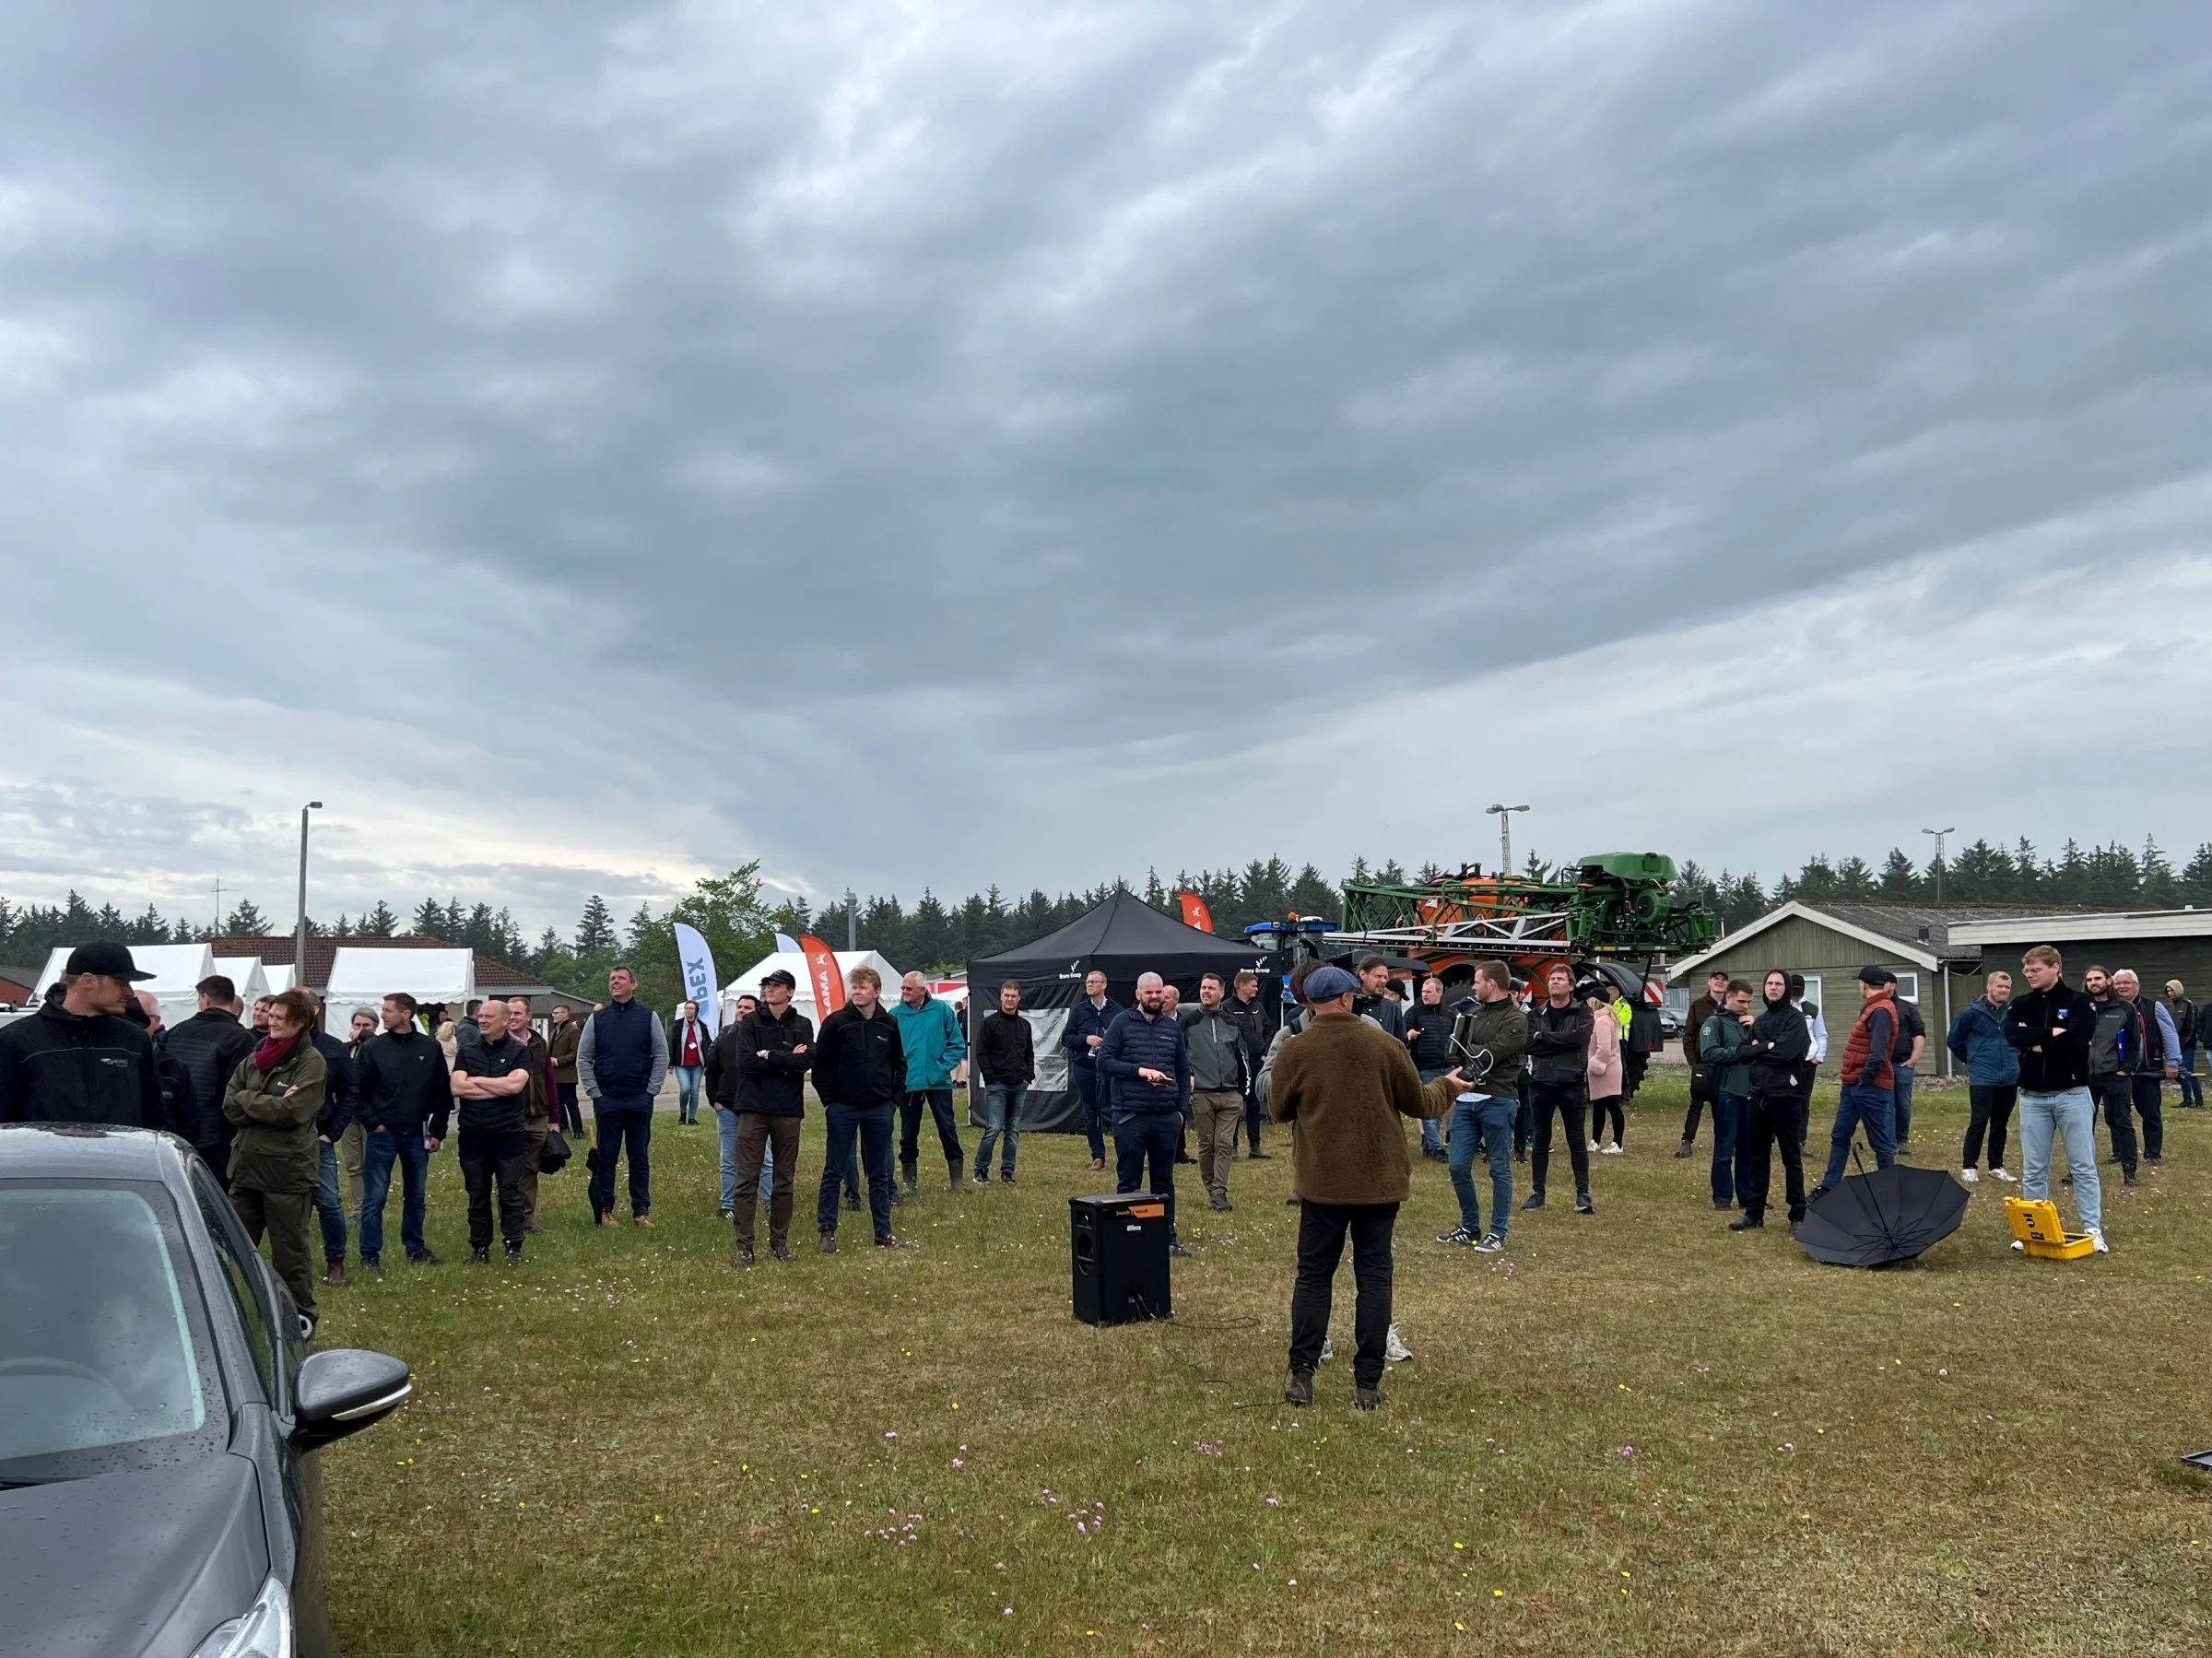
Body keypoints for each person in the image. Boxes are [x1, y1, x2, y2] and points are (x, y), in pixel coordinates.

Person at [1269, 963, 1458, 1411]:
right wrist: (1448, 1086)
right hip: (1379, 1183)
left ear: (1311, 1003)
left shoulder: (1295, 1049)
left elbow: (1277, 1109)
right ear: (1349, 998)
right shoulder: (1384, 1045)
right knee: (1374, 1278)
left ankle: (1302, 1375)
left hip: (1321, 1184)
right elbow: (1420, 1104)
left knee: (1314, 1277)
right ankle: (1367, 1384)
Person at [223, 987, 327, 1329]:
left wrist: (248, 1099)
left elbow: (293, 1111)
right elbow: (228, 1105)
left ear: (299, 1023)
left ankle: (299, 1320)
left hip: (287, 1174)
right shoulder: (255, 1058)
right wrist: (264, 1101)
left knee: (290, 1255)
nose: (271, 1022)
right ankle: (230, 1314)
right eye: (270, 1015)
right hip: (246, 1169)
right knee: (231, 1249)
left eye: (279, 1018)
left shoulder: (311, 1062)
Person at [2003, 945, 2105, 1252]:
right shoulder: (2020, 1004)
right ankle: (2034, 1230)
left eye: (2035, 970)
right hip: (2032, 1096)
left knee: (2082, 1164)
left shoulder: (2080, 1002)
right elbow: (2012, 1036)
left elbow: (2076, 1039)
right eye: (2027, 971)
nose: (2029, 975)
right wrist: (2052, 1034)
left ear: (2054, 967)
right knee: (2034, 1167)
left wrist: (2036, 1039)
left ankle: (2092, 1228)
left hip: (2071, 1094)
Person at [0, 941, 165, 1129]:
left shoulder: (134, 1040)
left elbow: (154, 1118)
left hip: (122, 1157)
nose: (129, 992)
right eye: (121, 982)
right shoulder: (16, 1040)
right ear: (88, 980)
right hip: (45, 1158)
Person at [813, 966, 908, 1251]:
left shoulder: (888, 1025)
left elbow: (898, 1064)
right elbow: (821, 1067)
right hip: (843, 1107)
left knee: (879, 1173)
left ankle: (883, 1232)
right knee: (835, 1169)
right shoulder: (836, 1023)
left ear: (877, 992)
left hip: (879, 1108)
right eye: (854, 987)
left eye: (863, 987)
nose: (857, 991)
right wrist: (830, 1102)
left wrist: (894, 1100)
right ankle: (827, 1230)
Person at [1435, 959, 1527, 1252]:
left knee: (1499, 1166)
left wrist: (1466, 1052)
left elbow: (1490, 1055)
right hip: (1466, 1099)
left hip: (1498, 1098)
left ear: (1492, 983)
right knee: (1458, 1164)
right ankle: (1470, 1226)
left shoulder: (1516, 1020)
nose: (1473, 986)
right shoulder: (1472, 1015)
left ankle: (1497, 1232)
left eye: (1477, 981)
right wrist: (1466, 1054)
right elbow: (1453, 1053)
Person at [1099, 971, 1193, 1256]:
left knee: (1164, 1182)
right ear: (1138, 994)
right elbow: (1104, 1061)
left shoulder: (1172, 1027)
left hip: (1166, 1117)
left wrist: (1180, 1110)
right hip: (1131, 1115)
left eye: (1159, 992)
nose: (1154, 997)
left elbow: (1182, 1068)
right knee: (1130, 1181)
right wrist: (1139, 1072)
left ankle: (1167, 1238)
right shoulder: (1121, 1023)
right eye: (1149, 992)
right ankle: (1128, 1238)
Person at [356, 991, 451, 1269]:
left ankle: (415, 1247)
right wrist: (373, 1123)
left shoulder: (429, 1048)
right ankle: (369, 1255)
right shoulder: (373, 1048)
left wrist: (438, 1130)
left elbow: (441, 1091)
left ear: (406, 1014)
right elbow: (356, 1091)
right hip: (382, 1134)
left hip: (417, 1132)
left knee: (416, 1195)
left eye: (387, 1010)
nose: (382, 1014)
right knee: (374, 1197)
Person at [730, 971, 813, 1265]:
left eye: (775, 986)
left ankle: (779, 1244)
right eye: (766, 986)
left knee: (784, 1180)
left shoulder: (802, 1024)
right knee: (746, 1178)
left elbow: (805, 1062)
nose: (769, 990)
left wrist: (770, 1055)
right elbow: (747, 1063)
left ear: (790, 992)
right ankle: (744, 1247)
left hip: (787, 1110)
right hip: (753, 1108)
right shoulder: (751, 1021)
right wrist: (786, 1056)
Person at [577, 966, 668, 1228]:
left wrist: (652, 1089)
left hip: (640, 1098)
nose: (615, 982)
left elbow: (661, 1055)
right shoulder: (598, 1019)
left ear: (633, 984)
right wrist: (595, 1092)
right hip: (608, 1099)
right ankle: (606, 1209)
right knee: (607, 1157)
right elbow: (584, 1057)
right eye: (612, 979)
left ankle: (641, 1211)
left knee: (638, 1156)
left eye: (620, 978)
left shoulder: (648, 1017)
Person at [450, 996, 533, 1264]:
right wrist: (497, 1085)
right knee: (477, 1193)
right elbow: (457, 1088)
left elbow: (514, 1087)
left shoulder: (520, 1051)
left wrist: (477, 1082)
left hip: (508, 1135)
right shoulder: (468, 1050)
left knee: (509, 1192)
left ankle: (513, 1246)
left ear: (506, 1021)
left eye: (489, 1017)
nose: (482, 1020)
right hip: (473, 1135)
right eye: (481, 1016)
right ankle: (480, 1247)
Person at [1730, 971, 1813, 1229]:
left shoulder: (1795, 1020)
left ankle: (1797, 1214)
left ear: (1786, 988)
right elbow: (1742, 1053)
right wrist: (1766, 1046)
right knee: (1757, 1156)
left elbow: (1786, 1054)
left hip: (1786, 1098)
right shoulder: (1761, 1020)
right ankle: (1754, 1213)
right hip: (1759, 1097)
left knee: (1791, 1157)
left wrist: (1761, 1049)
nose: (1773, 988)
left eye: (1778, 984)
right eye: (1769, 983)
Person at [1811, 968, 1901, 1198]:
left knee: (1880, 1142)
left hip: (1868, 1086)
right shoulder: (1875, 1007)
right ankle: (1829, 1186)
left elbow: (1879, 1053)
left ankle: (1889, 1191)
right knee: (1840, 1136)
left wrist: (1865, 1079)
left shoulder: (1881, 1010)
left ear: (1864, 984)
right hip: (1853, 1084)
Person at [166, 972, 257, 1183]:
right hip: (219, 1134)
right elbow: (239, 1090)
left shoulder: (176, 1032)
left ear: (205, 998)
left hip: (177, 1128)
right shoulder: (240, 1038)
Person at [1523, 965, 1595, 1214]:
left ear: (1571, 985)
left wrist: (1545, 1038)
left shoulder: (1582, 1012)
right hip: (1540, 1083)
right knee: (1541, 1140)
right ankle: (1537, 1192)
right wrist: (1557, 1041)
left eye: (1560, 979)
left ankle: (1583, 1194)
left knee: (1576, 1139)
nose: (1555, 982)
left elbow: (1579, 1039)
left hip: (1571, 1083)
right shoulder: (1535, 1014)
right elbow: (1528, 1045)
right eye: (1552, 978)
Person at [890, 972, 969, 1194]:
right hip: (909, 1083)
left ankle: (957, 1180)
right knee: (908, 1131)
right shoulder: (895, 1015)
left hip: (939, 1082)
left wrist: (942, 1067)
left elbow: (957, 1043)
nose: (904, 992)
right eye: (903, 988)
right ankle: (909, 1182)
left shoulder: (942, 1011)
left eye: (909, 988)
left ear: (922, 990)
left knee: (947, 1128)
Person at [1182, 973, 1250, 1211]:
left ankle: (1219, 1191)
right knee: (1206, 1143)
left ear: (1221, 992)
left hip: (1230, 1094)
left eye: (1211, 988)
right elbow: (1179, 1056)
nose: (1206, 992)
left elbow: (1243, 1058)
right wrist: (1186, 1081)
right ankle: (1211, 1188)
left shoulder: (1232, 1023)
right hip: (1202, 1093)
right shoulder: (1189, 1022)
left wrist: (1244, 1090)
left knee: (1223, 1143)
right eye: (1203, 988)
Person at [306, 996, 360, 1288]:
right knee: (286, 1204)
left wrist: (334, 1131)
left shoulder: (332, 1048)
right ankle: (292, 1264)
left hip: (319, 1136)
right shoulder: (272, 1046)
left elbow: (350, 1091)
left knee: (328, 1202)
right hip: (282, 1138)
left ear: (313, 1011)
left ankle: (335, 1261)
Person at [1947, 971, 2019, 1184]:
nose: (2004, 991)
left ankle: (1996, 1166)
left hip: (2009, 1077)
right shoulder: (1972, 1013)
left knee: (2001, 1123)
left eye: (2007, 987)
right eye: (2000, 987)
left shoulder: (2014, 1013)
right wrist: (1972, 1059)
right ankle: (1969, 1166)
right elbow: (1954, 1040)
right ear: (1989, 987)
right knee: (1979, 1121)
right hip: (1983, 1078)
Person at [704, 992, 764, 1218]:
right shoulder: (725, 1038)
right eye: (739, 1007)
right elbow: (711, 1070)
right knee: (728, 1160)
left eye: (747, 1008)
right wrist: (715, 1100)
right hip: (728, 1107)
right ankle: (728, 1205)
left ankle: (769, 1202)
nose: (741, 1010)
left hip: (757, 1108)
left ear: (756, 1012)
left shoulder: (763, 1038)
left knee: (764, 1160)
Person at [1698, 981, 1756, 1214]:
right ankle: (1722, 1196)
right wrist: (1739, 1053)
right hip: (1727, 1093)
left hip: (1748, 1092)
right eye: (1742, 1001)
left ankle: (1746, 1196)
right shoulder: (1715, 1023)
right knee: (1724, 1148)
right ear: (1729, 997)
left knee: (1746, 1150)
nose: (1745, 1006)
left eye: (1749, 1002)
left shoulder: (1746, 1024)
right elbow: (1709, 1053)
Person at [2082, 965, 2142, 1186]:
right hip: (2087, 1077)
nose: (2093, 983)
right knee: (2082, 1126)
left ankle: (2129, 1170)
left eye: (2097, 978)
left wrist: (2125, 1069)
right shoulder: (2082, 1008)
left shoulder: (2125, 1009)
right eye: (2089, 980)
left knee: (2122, 1123)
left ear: (2108, 981)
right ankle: (2077, 1169)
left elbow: (2135, 1043)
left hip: (2116, 1076)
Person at [2111, 970, 2175, 1168]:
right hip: (2117, 1072)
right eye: (2117, 983)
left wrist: (2173, 1062)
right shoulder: (2109, 1008)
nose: (2122, 987)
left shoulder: (2154, 1007)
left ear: (2136, 985)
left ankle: (2152, 1153)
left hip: (2146, 1070)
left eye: (2126, 983)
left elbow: (2170, 1035)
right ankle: (2120, 1152)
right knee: (2116, 1115)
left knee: (2150, 1114)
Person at [506, 996, 559, 1232]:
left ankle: (527, 1219)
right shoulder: (499, 1044)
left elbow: (549, 1081)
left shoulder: (539, 1043)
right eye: (509, 1014)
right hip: (509, 1117)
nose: (513, 1018)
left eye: (518, 1014)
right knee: (508, 1171)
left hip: (538, 1116)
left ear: (528, 1017)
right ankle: (509, 1219)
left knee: (530, 1170)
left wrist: (554, 1119)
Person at [974, 981, 1034, 1184]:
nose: (1009, 999)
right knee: (993, 1128)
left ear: (1019, 999)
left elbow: (1029, 1053)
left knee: (1013, 1130)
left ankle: (1007, 1171)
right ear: (1001, 997)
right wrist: (990, 1078)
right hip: (997, 1085)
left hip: (1019, 1084)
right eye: (1006, 995)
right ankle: (981, 1170)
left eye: (1013, 996)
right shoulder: (989, 1023)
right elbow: (981, 1053)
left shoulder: (1025, 1026)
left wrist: (1028, 1076)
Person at [1064, 970, 1120, 1172]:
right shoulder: (1079, 1010)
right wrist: (1085, 1040)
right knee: (1090, 1111)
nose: (1089, 985)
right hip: (1084, 1066)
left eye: (1093, 982)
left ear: (1104, 985)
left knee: (1117, 1110)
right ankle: (1098, 1155)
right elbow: (1067, 1038)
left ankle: (1125, 1153)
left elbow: (1124, 1039)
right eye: (1087, 982)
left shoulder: (1116, 1011)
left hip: (1109, 1068)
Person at [1677, 969, 1731, 1157]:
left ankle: (1725, 1143)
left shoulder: (1731, 1006)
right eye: (1716, 978)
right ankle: (1687, 1142)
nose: (1719, 982)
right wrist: (1694, 1061)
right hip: (1703, 1065)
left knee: (1722, 1106)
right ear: (1709, 982)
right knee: (1696, 1105)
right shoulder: (1698, 1006)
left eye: (1723, 980)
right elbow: (1689, 1035)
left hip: (1724, 1065)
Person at [1405, 974, 1455, 1161]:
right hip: (1426, 1067)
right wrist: (1408, 1034)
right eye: (1423, 991)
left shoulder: (1450, 1013)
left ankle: (1439, 1143)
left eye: (1429, 992)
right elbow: (1402, 1034)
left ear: (1439, 993)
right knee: (1431, 1108)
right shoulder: (1413, 1013)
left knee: (1451, 1108)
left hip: (1448, 1066)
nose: (1424, 995)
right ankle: (1435, 1148)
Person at [1226, 969, 1274, 1159]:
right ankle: (1232, 1147)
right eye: (1253, 985)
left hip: (1256, 1063)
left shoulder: (1258, 1007)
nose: (1256, 988)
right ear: (1242, 986)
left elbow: (1269, 1030)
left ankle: (1255, 1146)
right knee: (1235, 1106)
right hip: (1236, 1065)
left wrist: (1265, 1048)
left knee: (1254, 1105)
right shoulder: (1226, 1008)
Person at [1583, 981, 1625, 1155]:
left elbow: (1604, 1048)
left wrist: (1595, 1064)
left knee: (1612, 1105)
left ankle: (1617, 1142)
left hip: (1605, 1069)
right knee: (1599, 1106)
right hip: (1608, 1068)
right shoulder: (1605, 1019)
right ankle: (1595, 1140)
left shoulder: (1602, 1021)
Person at [1891, 989, 1927, 1151]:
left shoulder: (1907, 1008)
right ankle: (1887, 1140)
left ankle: (1902, 1139)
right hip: (1881, 1065)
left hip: (1902, 1064)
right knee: (1885, 1104)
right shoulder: (1873, 1008)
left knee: (1903, 1103)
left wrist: (1914, 1058)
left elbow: (1919, 1033)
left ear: (1892, 986)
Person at [671, 999, 710, 1125]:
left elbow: (707, 1044)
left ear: (696, 1011)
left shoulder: (702, 1027)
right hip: (681, 1064)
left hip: (697, 1064)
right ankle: (683, 1113)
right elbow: (672, 1044)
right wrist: (670, 1063)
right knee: (685, 1088)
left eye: (691, 1008)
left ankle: (692, 1117)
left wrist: (709, 1062)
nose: (688, 1010)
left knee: (694, 1092)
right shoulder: (677, 1025)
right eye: (686, 1008)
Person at [549, 1002, 585, 1135]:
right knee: (557, 1104)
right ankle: (563, 1126)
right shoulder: (555, 1031)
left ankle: (578, 1130)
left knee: (571, 1104)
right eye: (553, 1013)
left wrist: (558, 1061)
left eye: (556, 1013)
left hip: (567, 1076)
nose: (553, 1015)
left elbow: (576, 1053)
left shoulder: (573, 1030)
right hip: (554, 1075)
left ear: (565, 1014)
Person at [2167, 980, 2203, 1110]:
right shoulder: (2174, 1007)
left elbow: (2192, 1026)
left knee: (2188, 1072)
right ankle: (2187, 1098)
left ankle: (2198, 1100)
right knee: (2179, 1073)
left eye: (2172, 990)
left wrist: (2185, 1042)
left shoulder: (2188, 1005)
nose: (2170, 993)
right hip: (2175, 1046)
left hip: (2186, 1045)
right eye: (2168, 991)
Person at [1353, 956, 1406, 1041]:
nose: (1383, 981)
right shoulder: (1348, 1004)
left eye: (1385, 977)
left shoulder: (1393, 1009)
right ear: (1363, 975)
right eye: (1378, 976)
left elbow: (1403, 1045)